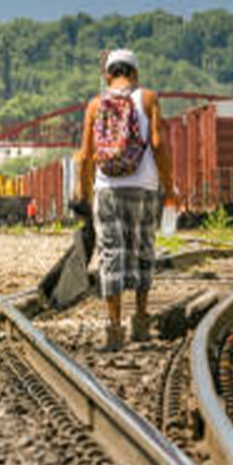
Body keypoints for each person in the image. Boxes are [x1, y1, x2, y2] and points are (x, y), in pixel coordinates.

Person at [78, 49, 175, 351]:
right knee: (143, 249)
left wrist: (85, 192)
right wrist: (168, 187)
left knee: (111, 254)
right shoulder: (147, 98)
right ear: (135, 74)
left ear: (108, 75)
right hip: (144, 187)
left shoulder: (95, 104)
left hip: (107, 189)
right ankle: (142, 321)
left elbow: (84, 156)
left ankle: (114, 327)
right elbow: (158, 144)